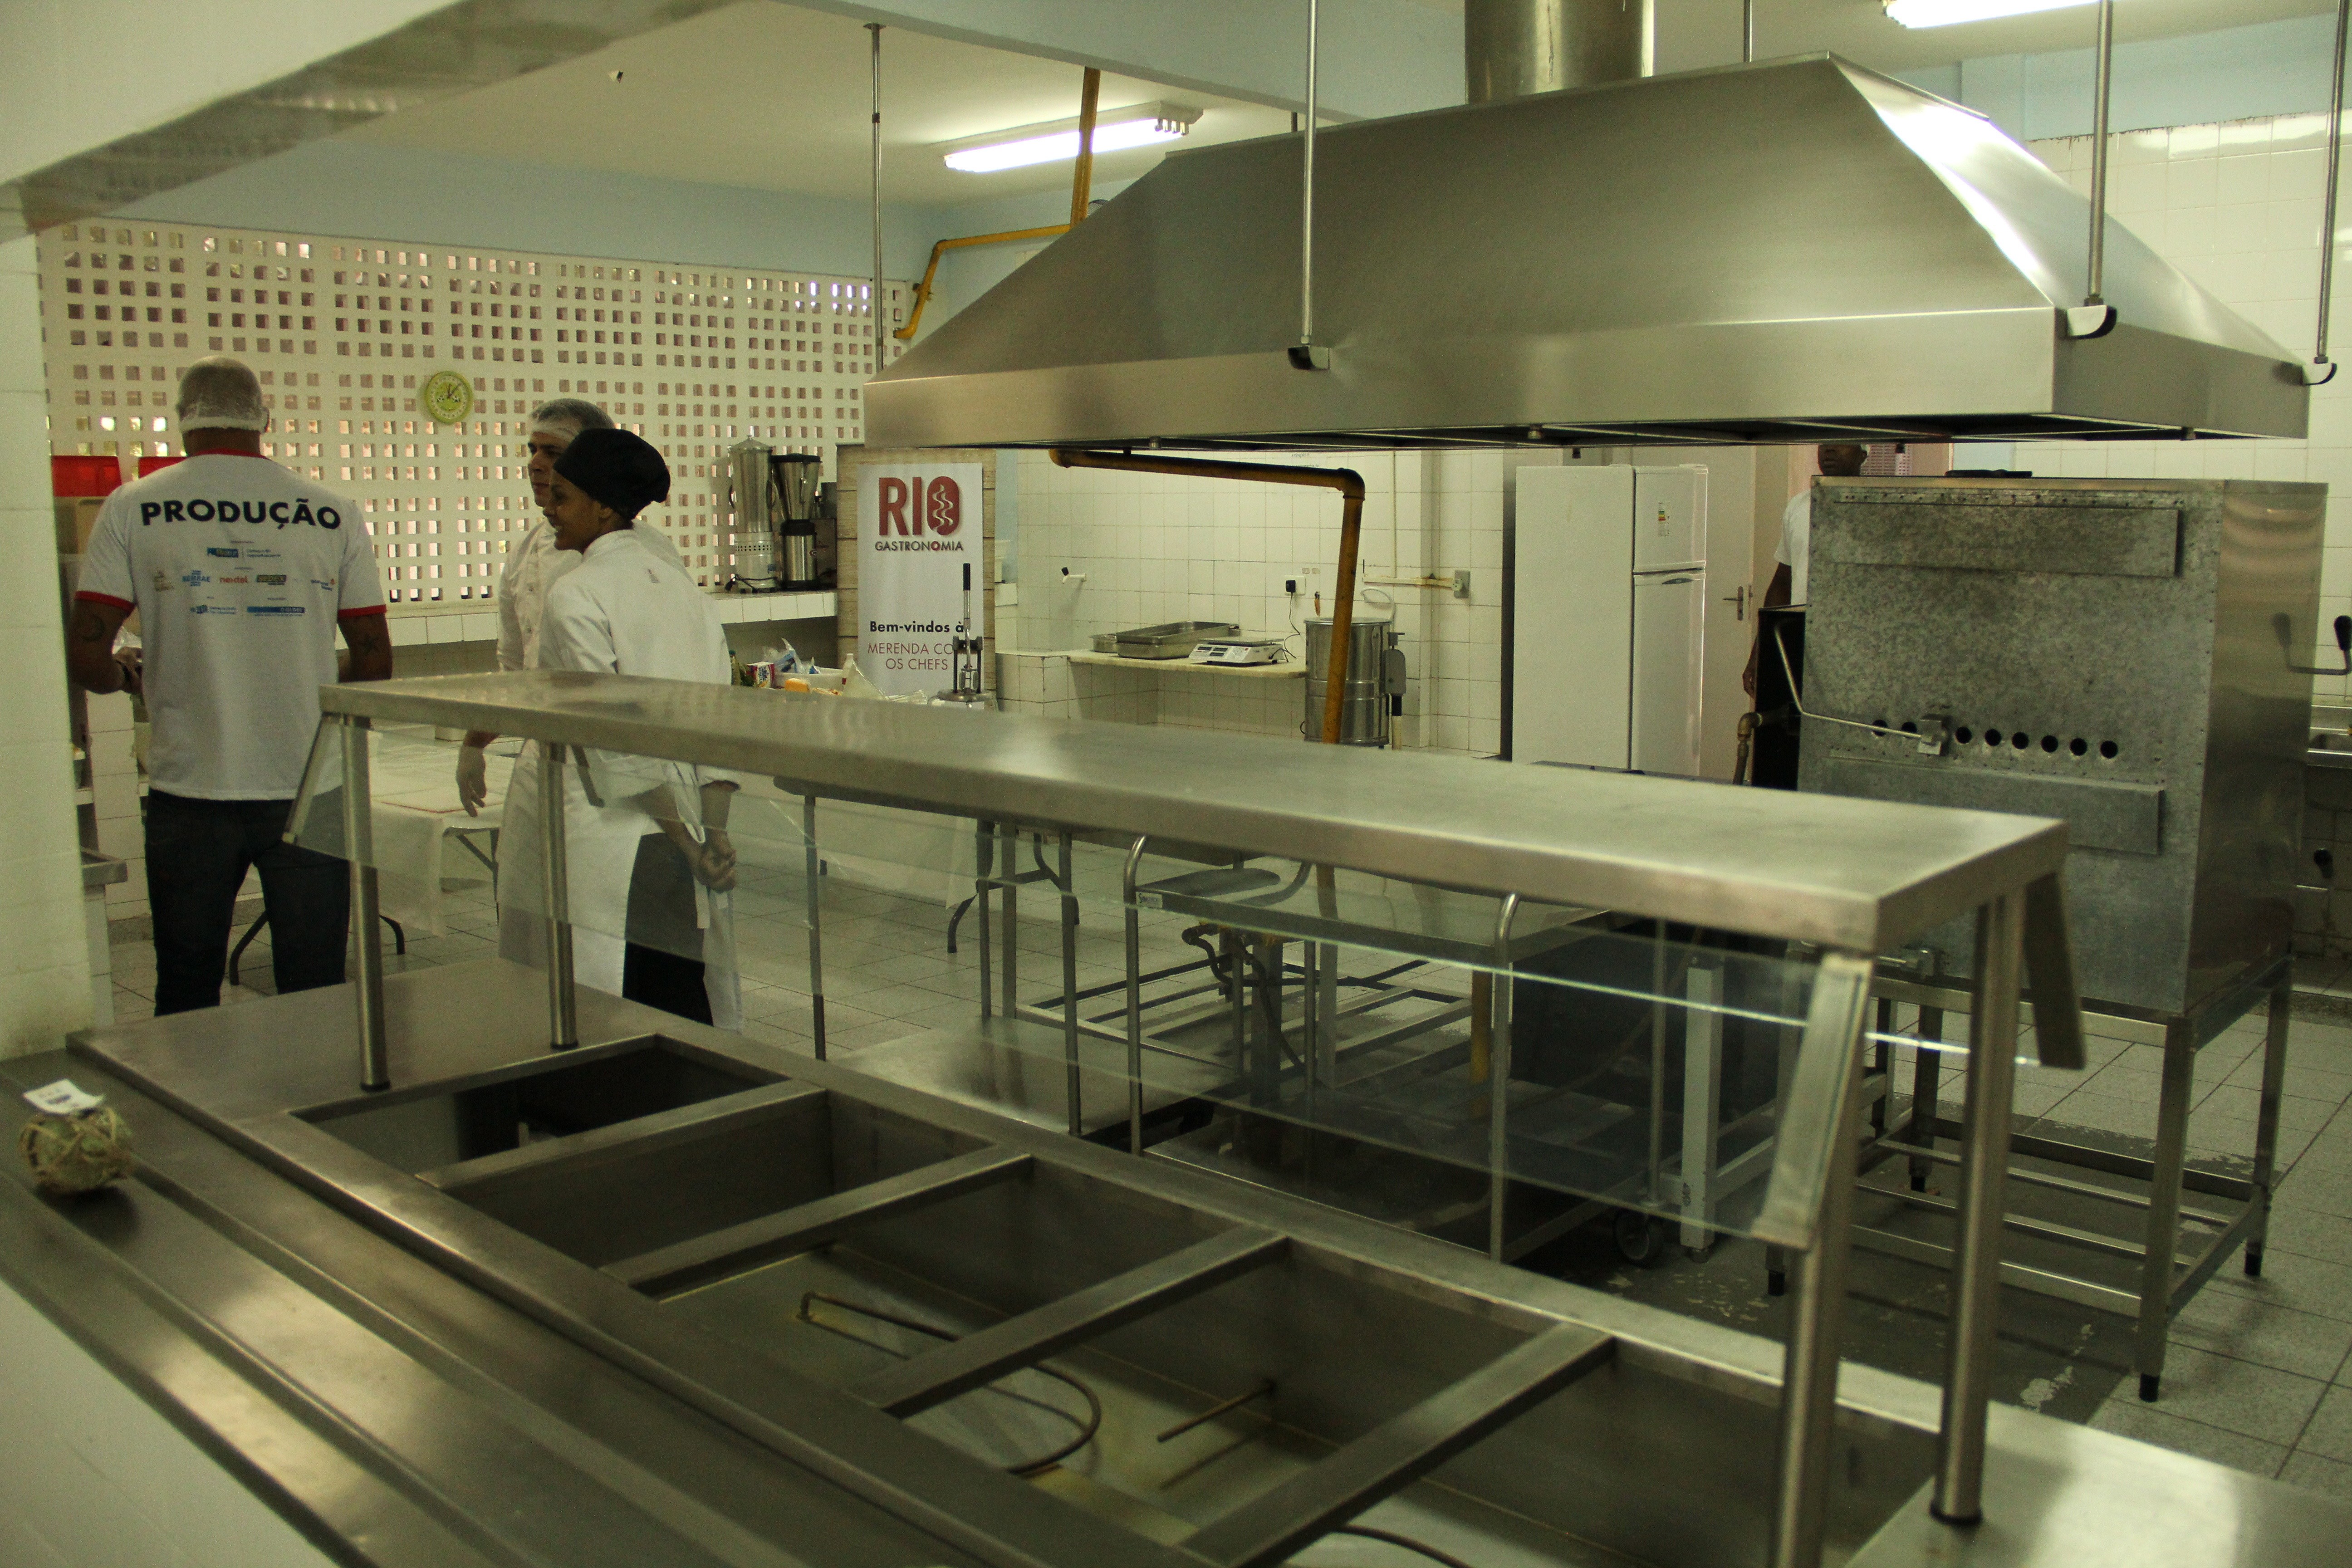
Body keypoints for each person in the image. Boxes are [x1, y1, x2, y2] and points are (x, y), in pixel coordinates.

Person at [66, 357, 390, 1013]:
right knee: (316, 987)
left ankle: (195, 1111)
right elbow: (375, 659)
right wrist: (314, 692)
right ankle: (311, 1108)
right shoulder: (332, 512)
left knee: (186, 984)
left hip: (190, 788)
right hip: (309, 788)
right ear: (264, 420)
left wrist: (127, 678)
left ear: (181, 420)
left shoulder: (133, 506)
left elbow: (86, 652)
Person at [456, 398, 687, 972]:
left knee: (606, 947)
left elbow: (662, 680)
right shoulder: (532, 548)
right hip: (545, 767)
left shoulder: (646, 560)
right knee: (534, 934)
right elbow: (518, 669)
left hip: (627, 776)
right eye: (532, 450)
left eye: (553, 454)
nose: (537, 465)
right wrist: (475, 741)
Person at [534, 428, 741, 1029]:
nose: (550, 506)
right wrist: (714, 835)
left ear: (603, 508)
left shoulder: (575, 594)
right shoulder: (684, 590)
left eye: (564, 496)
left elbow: (613, 740)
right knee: (679, 989)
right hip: (684, 828)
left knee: (620, 1002)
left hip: (622, 835)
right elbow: (719, 721)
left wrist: (686, 843)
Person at [1743, 443, 1867, 697]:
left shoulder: (1876, 509)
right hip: (1801, 642)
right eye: (1824, 443)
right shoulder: (1799, 506)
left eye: (1841, 444)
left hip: (1858, 647)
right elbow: (1782, 583)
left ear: (1863, 454)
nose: (1829, 450)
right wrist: (1762, 651)